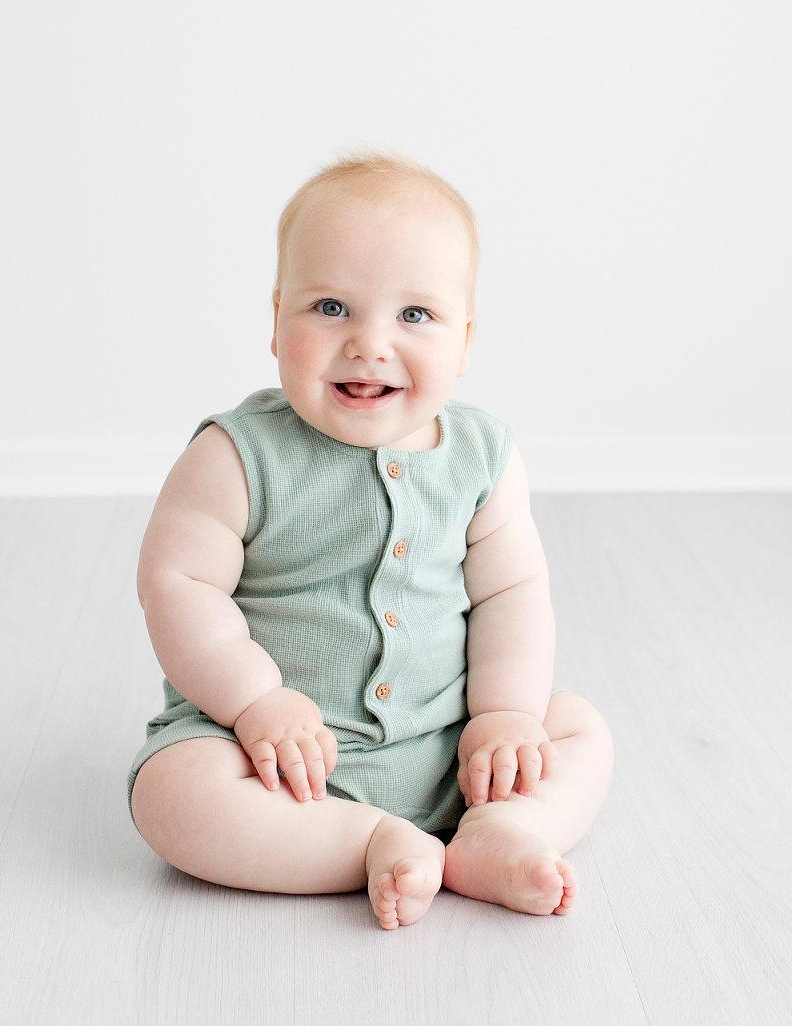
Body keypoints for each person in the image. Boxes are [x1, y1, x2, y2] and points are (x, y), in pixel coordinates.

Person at [126, 146, 614, 929]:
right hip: (276, 760)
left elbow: (513, 593)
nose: (369, 342)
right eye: (330, 308)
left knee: (578, 728)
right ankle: (366, 841)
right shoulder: (237, 454)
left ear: (464, 338)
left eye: (414, 315)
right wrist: (256, 702)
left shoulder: (483, 457)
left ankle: (501, 829)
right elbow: (178, 586)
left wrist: (505, 715)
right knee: (171, 796)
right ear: (277, 322)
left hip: (454, 748)